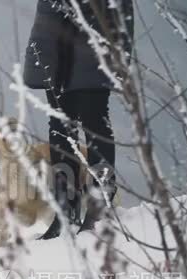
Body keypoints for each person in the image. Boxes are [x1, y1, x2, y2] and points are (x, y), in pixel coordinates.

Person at [23, 0, 134, 239]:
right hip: (56, 42)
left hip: (96, 35)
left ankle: (98, 205)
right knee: (60, 126)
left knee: (94, 121)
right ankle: (66, 208)